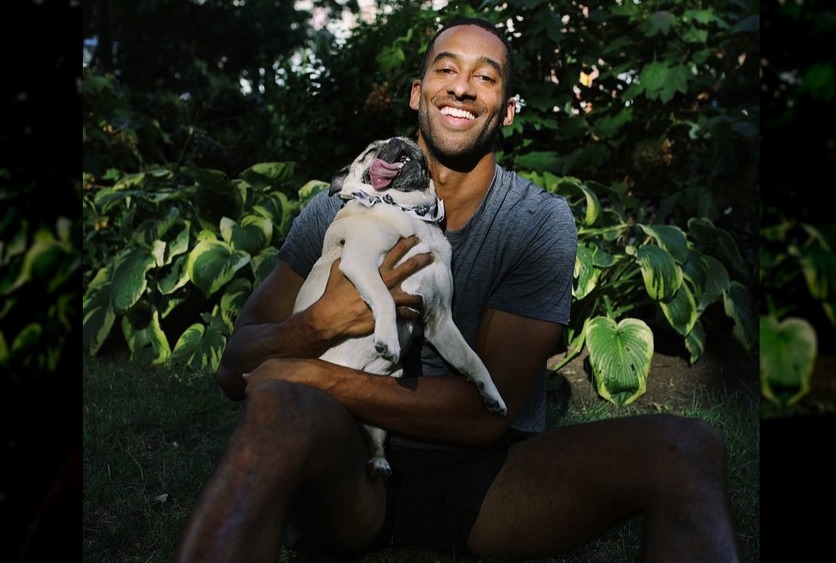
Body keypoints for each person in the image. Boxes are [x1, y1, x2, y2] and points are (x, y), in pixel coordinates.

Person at [174, 18, 741, 562]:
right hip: (347, 462)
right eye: (447, 70)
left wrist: (311, 370)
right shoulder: (338, 206)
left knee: (687, 448)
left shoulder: (535, 221)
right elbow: (236, 370)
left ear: (509, 111)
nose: (463, 88)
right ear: (418, 94)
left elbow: (485, 415)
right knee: (279, 404)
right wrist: (315, 326)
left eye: (486, 77)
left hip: (489, 483)